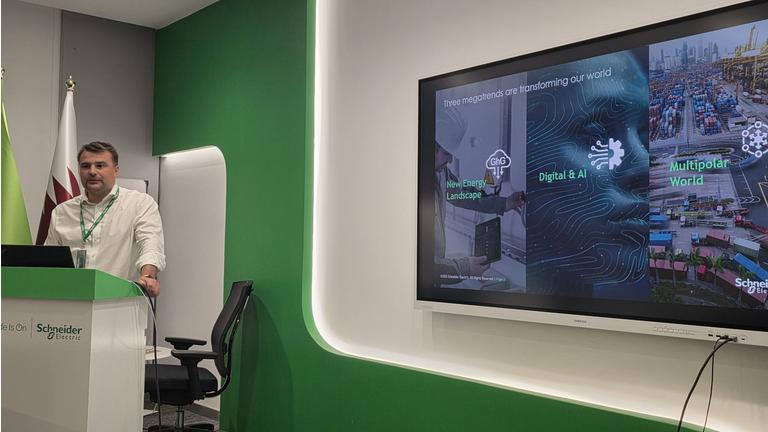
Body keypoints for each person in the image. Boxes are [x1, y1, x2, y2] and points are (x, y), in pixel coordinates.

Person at [45, 141, 165, 297]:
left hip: (119, 302)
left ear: (116, 170)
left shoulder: (139, 204)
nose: (92, 171)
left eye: (100, 165)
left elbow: (150, 244)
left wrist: (148, 276)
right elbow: (48, 261)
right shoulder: (62, 212)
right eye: (85, 166)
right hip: (71, 301)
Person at [434, 107, 525, 280]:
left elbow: (463, 195)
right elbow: (423, 265)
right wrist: (463, 268)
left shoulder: (441, 173)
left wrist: (504, 203)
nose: (451, 160)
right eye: (447, 153)